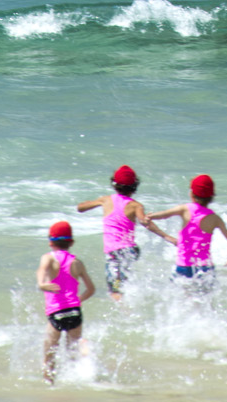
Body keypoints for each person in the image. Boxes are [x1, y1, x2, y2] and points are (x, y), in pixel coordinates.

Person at [76, 163, 175, 299]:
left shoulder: (105, 200)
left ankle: (125, 313)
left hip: (115, 254)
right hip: (130, 250)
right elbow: (145, 222)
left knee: (115, 290)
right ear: (134, 186)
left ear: (114, 184)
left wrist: (92, 203)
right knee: (122, 282)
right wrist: (167, 237)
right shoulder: (135, 205)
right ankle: (129, 302)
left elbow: (80, 208)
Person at [148, 174, 227, 288]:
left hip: (184, 267)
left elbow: (162, 215)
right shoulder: (215, 218)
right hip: (205, 268)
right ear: (211, 197)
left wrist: (149, 217)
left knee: (181, 300)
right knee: (205, 300)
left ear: (192, 194)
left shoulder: (185, 209)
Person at [36, 220, 96, 384]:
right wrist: (78, 300)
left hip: (57, 313)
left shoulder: (48, 258)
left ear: (50, 241)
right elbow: (91, 289)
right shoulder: (77, 262)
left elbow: (41, 270)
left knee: (49, 355)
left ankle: (50, 385)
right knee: (72, 352)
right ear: (71, 242)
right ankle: (83, 354)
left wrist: (42, 283)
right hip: (75, 312)